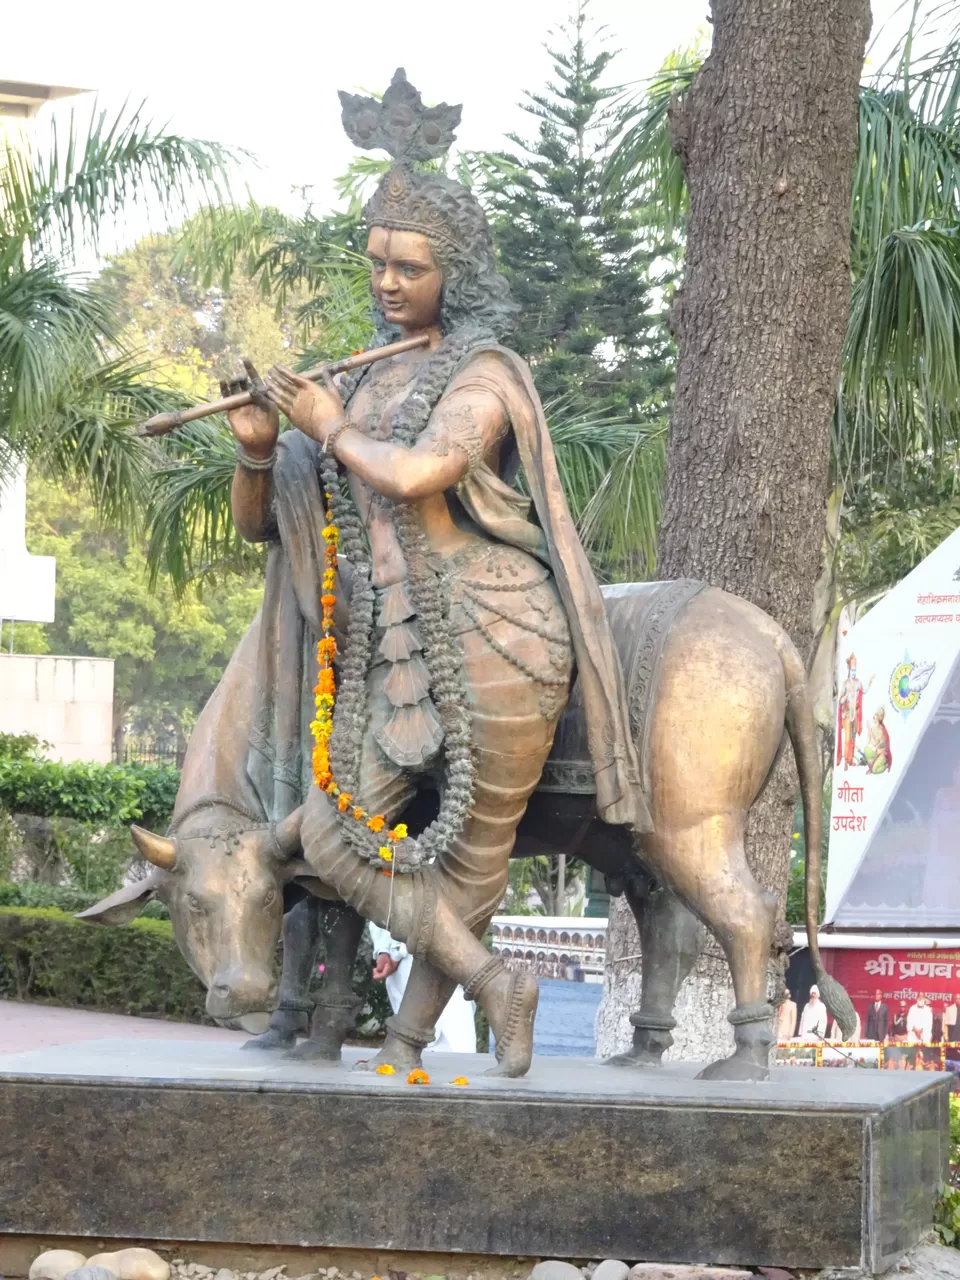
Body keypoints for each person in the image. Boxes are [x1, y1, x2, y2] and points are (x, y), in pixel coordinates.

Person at [223, 71, 645, 1079]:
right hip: (386, 647)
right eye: (377, 263)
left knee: (474, 858)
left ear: (454, 271)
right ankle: (497, 983)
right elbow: (262, 525)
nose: (388, 283)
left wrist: (331, 426)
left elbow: (419, 473)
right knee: (332, 838)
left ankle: (410, 1041)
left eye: (409, 266)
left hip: (498, 633)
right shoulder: (363, 375)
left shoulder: (485, 372)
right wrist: (258, 447)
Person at [368, 922, 477, 1052]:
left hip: (449, 959)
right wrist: (385, 951)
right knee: (414, 1045)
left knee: (460, 1045)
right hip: (409, 966)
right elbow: (384, 915)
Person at [837, 654, 864, 771]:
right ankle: (845, 762)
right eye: (852, 670)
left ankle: (851, 758)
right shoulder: (845, 684)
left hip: (855, 715)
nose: (854, 673)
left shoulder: (858, 683)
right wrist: (846, 696)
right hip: (847, 715)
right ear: (848, 670)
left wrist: (871, 681)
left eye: (855, 670)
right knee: (847, 739)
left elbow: (863, 691)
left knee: (853, 738)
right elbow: (840, 701)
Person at [863, 706, 892, 774]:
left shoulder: (881, 730)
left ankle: (885, 765)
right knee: (866, 749)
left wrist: (869, 731)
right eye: (874, 717)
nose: (874, 719)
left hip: (882, 755)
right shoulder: (874, 728)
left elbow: (876, 744)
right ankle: (873, 764)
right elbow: (870, 742)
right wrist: (869, 731)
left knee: (875, 770)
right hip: (876, 753)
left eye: (875, 718)